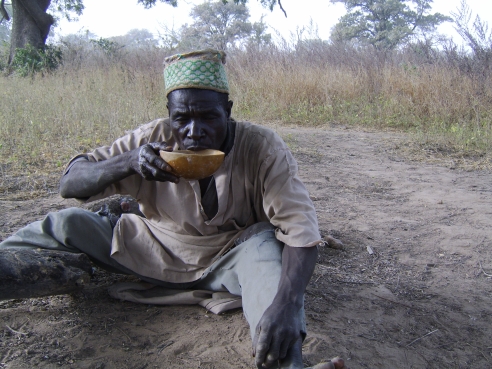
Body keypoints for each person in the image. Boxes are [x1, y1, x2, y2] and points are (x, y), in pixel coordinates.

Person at [0, 50, 348, 369]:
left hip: (231, 256)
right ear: (169, 116)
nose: (194, 132)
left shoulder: (262, 148)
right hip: (149, 247)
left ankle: (291, 365)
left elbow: (301, 232)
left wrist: (286, 305)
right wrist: (129, 162)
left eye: (208, 117)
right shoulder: (153, 138)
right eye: (182, 119)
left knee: (269, 265)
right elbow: (70, 182)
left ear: (228, 112)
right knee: (68, 223)